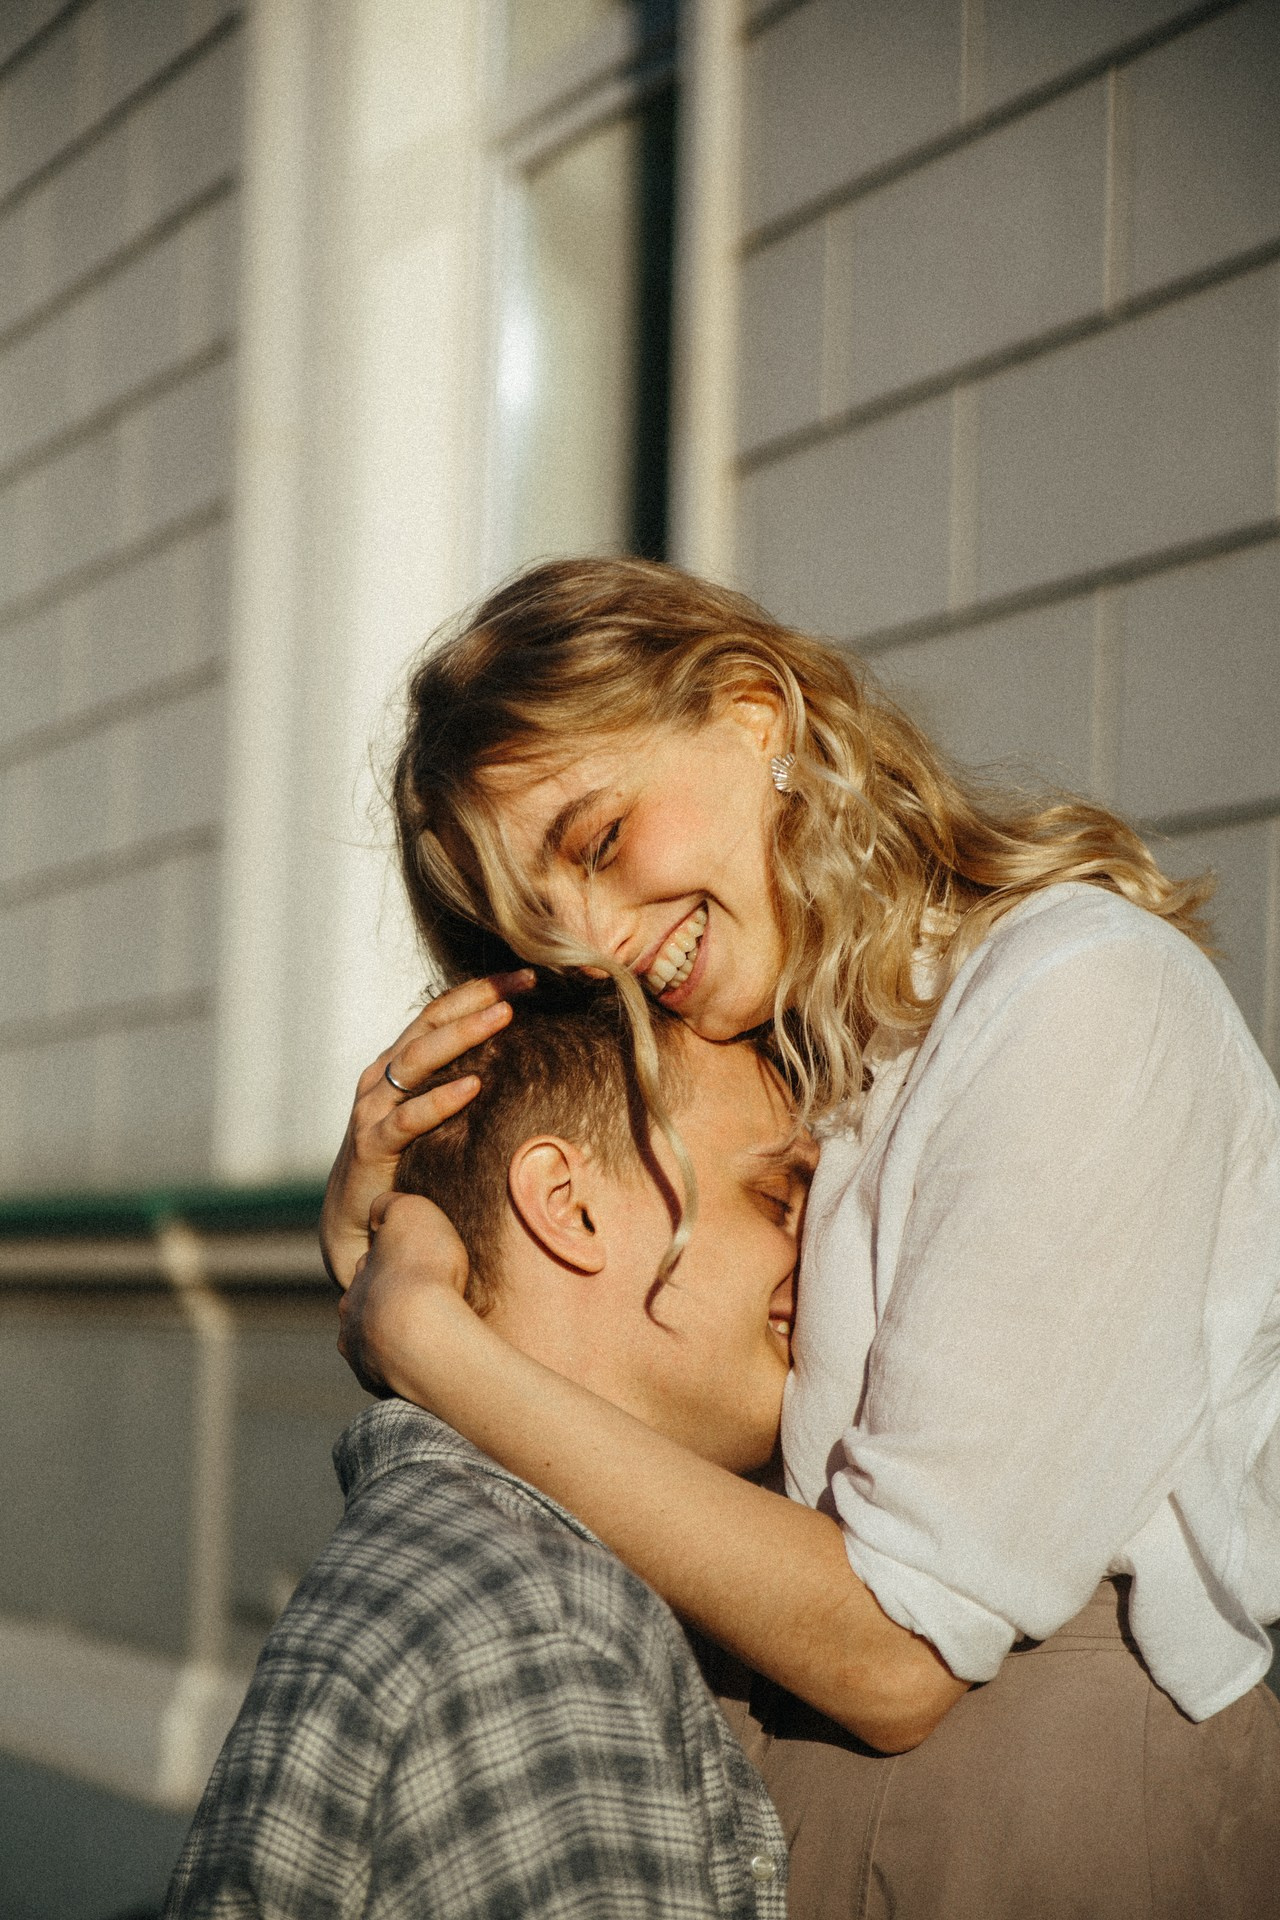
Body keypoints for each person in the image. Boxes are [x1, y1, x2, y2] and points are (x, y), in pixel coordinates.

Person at [326, 556, 1280, 1917]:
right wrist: (390, 1239)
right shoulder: (795, 1073)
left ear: (754, 713)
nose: (597, 943)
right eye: (540, 930)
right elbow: (615, 1415)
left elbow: (899, 1656)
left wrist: (425, 1334)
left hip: (1037, 1819)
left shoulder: (1076, 996)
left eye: (596, 843)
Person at [165, 983, 807, 1920]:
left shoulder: (455, 1560)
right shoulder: (551, 1630)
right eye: (776, 1200)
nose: (822, 1254)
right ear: (569, 1207)